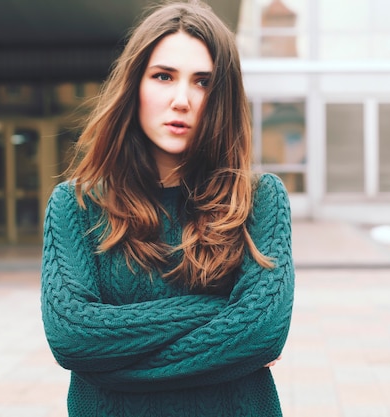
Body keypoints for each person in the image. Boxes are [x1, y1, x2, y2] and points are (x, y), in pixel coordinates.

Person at [40, 1, 295, 416]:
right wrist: (220, 313)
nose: (182, 100)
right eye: (163, 76)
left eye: (203, 82)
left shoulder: (258, 198)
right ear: (135, 84)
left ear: (223, 98)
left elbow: (261, 331)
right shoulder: (77, 205)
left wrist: (114, 355)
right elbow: (73, 337)